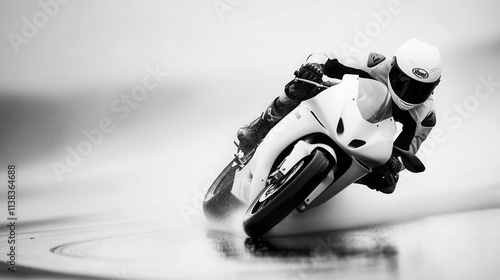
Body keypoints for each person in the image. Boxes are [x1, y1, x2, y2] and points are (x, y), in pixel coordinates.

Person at [236, 38, 442, 194]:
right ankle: (261, 126)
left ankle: (329, 182)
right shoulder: (374, 64)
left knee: (387, 182)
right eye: (403, 81)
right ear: (393, 66)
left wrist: (396, 163)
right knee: (304, 83)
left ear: (433, 88)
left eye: (418, 89)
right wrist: (314, 67)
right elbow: (326, 57)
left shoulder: (425, 117)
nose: (408, 93)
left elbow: (406, 152)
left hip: (371, 134)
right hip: (342, 106)